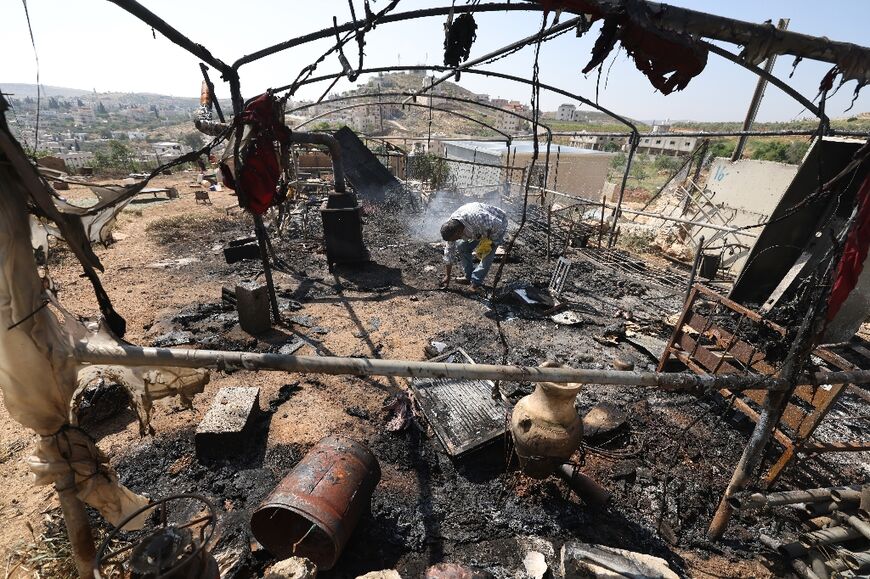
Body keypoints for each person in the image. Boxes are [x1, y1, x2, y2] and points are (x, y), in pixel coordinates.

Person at [440, 202, 508, 291]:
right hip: (478, 230)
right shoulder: (451, 225)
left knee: (487, 254)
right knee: (462, 246)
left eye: (454, 238)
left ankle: (476, 282)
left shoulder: (478, 218)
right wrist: (448, 275)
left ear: (459, 232)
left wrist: (490, 242)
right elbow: (449, 252)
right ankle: (468, 277)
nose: (453, 240)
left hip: (497, 226)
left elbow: (497, 225)